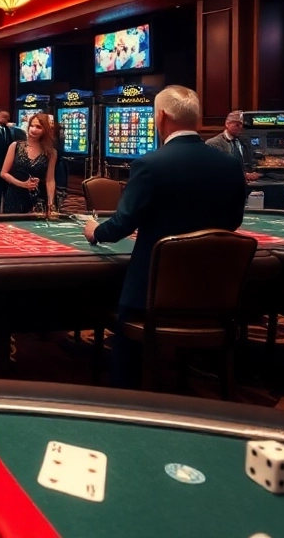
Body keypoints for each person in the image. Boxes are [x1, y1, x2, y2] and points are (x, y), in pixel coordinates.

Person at [82, 86, 247, 387]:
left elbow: (121, 224)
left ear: (160, 117)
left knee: (120, 312)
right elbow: (233, 222)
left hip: (151, 292)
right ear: (197, 120)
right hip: (213, 288)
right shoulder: (230, 165)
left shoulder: (150, 164)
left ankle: (126, 390)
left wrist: (95, 232)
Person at [0, 112, 58, 214]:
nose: (33, 130)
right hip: (15, 196)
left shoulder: (51, 153)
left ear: (45, 130)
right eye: (31, 126)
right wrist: (22, 184)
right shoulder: (15, 146)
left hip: (38, 198)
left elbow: (50, 180)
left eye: (38, 127)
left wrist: (51, 203)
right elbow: (4, 173)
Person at [205, 111, 261, 182]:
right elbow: (217, 169)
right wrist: (244, 175)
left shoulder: (244, 142)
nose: (240, 128)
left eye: (242, 125)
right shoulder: (213, 143)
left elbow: (249, 163)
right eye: (237, 125)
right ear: (227, 124)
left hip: (244, 185)